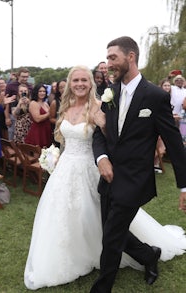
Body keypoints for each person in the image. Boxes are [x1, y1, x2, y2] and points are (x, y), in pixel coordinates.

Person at [24, 65, 186, 291]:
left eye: (84, 80)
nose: (80, 84)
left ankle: (147, 254)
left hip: (94, 170)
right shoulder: (65, 106)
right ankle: (77, 256)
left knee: (107, 224)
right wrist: (56, 157)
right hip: (66, 171)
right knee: (69, 218)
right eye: (75, 80)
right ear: (69, 84)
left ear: (91, 83)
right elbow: (65, 139)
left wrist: (102, 125)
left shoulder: (101, 106)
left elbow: (113, 140)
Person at [90, 36, 186, 293]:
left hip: (134, 180)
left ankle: (101, 289)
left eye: (113, 57)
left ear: (130, 56)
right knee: (113, 231)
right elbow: (100, 133)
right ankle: (149, 255)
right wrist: (101, 158)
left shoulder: (154, 95)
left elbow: (174, 142)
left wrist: (184, 187)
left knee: (111, 238)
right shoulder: (110, 92)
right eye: (107, 58)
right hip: (108, 177)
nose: (108, 64)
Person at [5, 67, 33, 140]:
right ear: (18, 76)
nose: (25, 79)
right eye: (23, 76)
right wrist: (7, 117)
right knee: (12, 137)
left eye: (27, 77)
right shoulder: (10, 86)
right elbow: (7, 103)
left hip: (27, 116)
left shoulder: (30, 86)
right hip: (14, 114)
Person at [24, 83, 52, 148]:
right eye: (40, 91)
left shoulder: (45, 103)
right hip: (38, 132)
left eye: (44, 91)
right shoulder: (33, 103)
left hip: (46, 130)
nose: (42, 93)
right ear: (36, 92)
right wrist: (49, 113)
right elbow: (37, 119)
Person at [49, 79, 66, 146]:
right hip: (59, 132)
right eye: (61, 87)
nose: (63, 89)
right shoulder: (55, 103)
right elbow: (51, 118)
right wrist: (61, 121)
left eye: (65, 86)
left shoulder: (75, 100)